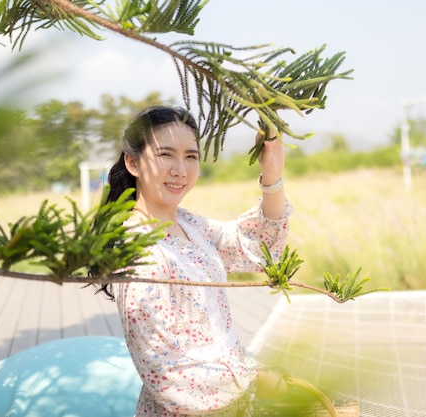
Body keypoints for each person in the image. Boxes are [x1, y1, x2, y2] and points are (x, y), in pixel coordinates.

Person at [101, 105, 292, 417]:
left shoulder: (190, 225)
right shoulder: (137, 249)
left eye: (191, 156)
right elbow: (165, 370)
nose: (181, 169)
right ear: (132, 162)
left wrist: (272, 175)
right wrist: (252, 381)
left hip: (233, 404)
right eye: (166, 155)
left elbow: (258, 248)